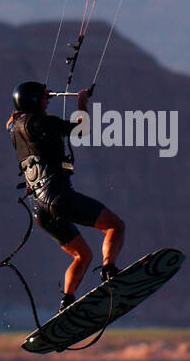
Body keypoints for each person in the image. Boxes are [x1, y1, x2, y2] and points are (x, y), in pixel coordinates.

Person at [7, 80, 125, 313]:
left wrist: (35, 99)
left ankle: (67, 303)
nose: (48, 100)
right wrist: (82, 104)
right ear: (33, 101)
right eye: (44, 98)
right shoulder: (42, 122)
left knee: (82, 255)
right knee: (115, 226)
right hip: (59, 198)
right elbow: (83, 128)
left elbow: (10, 122)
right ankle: (110, 272)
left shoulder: (14, 128)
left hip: (39, 208)